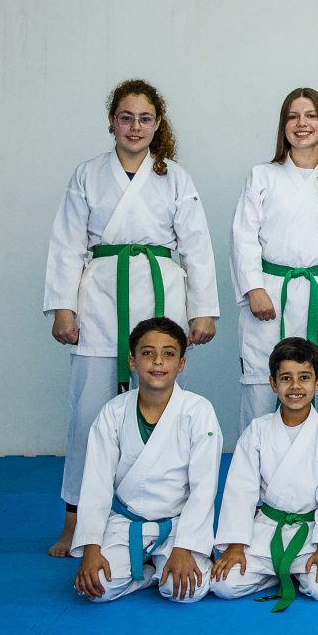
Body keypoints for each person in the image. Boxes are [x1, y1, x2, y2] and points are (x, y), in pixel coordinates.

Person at [44, 79, 220, 557]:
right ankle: (76, 521)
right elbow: (66, 243)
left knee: (163, 406)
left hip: (160, 296)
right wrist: (64, 307)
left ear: (157, 123)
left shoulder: (174, 177)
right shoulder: (88, 174)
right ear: (111, 122)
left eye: (145, 118)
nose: (135, 126)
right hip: (100, 299)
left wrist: (203, 311)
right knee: (88, 413)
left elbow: (197, 246)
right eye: (126, 117)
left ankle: (168, 512)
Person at [230, 88, 318, 433]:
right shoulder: (262, 176)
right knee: (262, 398)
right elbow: (243, 237)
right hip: (272, 297)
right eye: (293, 116)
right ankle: (256, 482)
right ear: (283, 126)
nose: (302, 123)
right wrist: (254, 288)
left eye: (310, 116)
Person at [71, 318, 222, 604]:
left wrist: (184, 547)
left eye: (168, 353)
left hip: (177, 523)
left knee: (187, 592)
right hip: (126, 520)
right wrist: (91, 546)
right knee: (95, 589)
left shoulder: (198, 411)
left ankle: (156, 566)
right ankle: (151, 572)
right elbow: (96, 483)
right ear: (132, 360)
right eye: (147, 352)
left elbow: (204, 488)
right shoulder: (113, 412)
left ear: (181, 364)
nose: (157, 362)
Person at [211, 337, 318, 611]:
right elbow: (241, 490)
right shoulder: (258, 430)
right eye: (286, 378)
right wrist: (236, 544)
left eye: (304, 377)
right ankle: (281, 572)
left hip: (311, 533)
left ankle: (285, 571)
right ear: (273, 383)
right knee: (223, 584)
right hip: (265, 529)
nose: (295, 386)